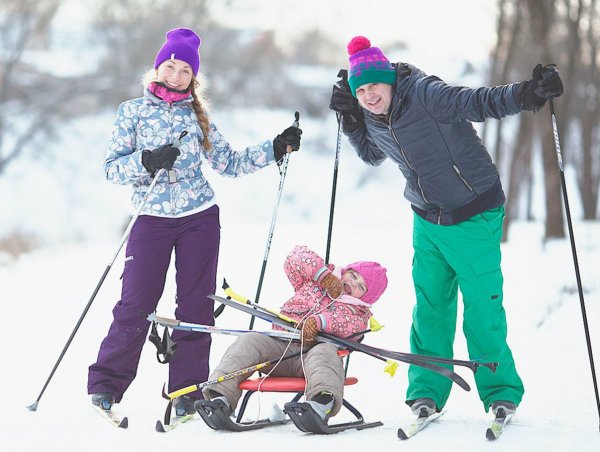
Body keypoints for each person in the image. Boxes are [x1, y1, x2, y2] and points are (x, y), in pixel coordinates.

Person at [329, 36, 564, 419]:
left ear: (389, 79)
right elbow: (372, 154)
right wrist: (352, 121)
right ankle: (426, 391)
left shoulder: (425, 93)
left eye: (375, 85)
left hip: (473, 213)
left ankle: (500, 390)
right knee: (431, 308)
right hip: (427, 219)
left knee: (482, 308)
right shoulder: (372, 115)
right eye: (361, 90)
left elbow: (477, 101)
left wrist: (528, 94)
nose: (370, 95)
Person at [87, 28, 302, 416]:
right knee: (136, 303)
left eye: (185, 69)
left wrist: (275, 148)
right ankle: (106, 386)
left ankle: (187, 391)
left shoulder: (198, 118)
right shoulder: (131, 111)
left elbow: (229, 163)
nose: (176, 74)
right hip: (151, 219)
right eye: (170, 65)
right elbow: (111, 170)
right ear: (157, 67)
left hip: (198, 219)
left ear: (193, 77)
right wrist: (147, 160)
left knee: (196, 309)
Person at [200, 245, 388, 422]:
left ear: (365, 298)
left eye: (360, 287)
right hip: (279, 351)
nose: (352, 283)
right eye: (353, 275)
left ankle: (319, 406)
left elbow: (349, 327)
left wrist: (319, 322)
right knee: (249, 342)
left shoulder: (358, 314)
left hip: (311, 359)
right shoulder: (315, 282)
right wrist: (323, 276)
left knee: (325, 353)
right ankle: (220, 398)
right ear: (345, 271)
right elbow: (296, 256)